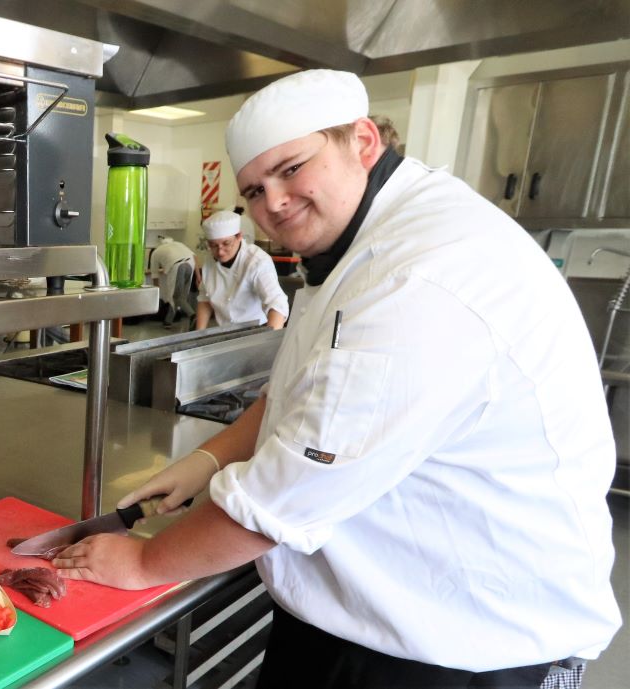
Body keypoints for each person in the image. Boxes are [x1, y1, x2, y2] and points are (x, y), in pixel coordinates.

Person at [52, 69, 621, 689]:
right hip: (368, 618)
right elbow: (298, 389)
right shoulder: (362, 240)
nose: (272, 201)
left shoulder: (420, 276)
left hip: (460, 647)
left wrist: (143, 561)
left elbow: (276, 500)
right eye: (254, 190)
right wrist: (210, 460)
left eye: (292, 168)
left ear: (363, 141)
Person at [195, 209, 288, 330]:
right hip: (224, 330)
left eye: (226, 243)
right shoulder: (209, 260)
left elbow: (277, 304)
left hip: (257, 330)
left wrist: (268, 342)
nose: (220, 252)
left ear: (239, 236)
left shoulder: (256, 261)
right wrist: (199, 335)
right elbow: (205, 299)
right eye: (213, 245)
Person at [148, 236, 197, 329]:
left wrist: (157, 291)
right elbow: (195, 257)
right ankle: (168, 321)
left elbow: (154, 274)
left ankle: (193, 316)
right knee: (179, 297)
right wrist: (198, 276)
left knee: (176, 297)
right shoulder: (179, 244)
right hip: (190, 265)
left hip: (177, 266)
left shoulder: (155, 252)